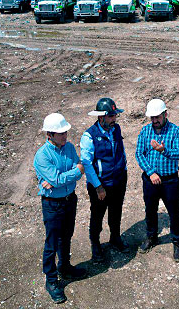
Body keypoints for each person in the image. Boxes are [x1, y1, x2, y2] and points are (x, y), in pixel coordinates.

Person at [34, 113, 87, 304]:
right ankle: (51, 280)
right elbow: (60, 178)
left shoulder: (70, 147)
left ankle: (65, 267)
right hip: (52, 204)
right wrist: (72, 173)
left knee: (66, 236)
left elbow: (76, 169)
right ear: (49, 134)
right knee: (51, 242)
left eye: (65, 132)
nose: (65, 136)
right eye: (60, 133)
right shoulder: (42, 156)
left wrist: (64, 176)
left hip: (69, 199)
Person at [135, 98, 179, 262]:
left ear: (165, 114)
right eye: (152, 118)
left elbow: (177, 154)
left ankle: (177, 241)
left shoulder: (176, 131)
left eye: (157, 117)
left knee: (174, 211)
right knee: (150, 209)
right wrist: (150, 172)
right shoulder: (145, 131)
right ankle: (152, 237)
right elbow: (139, 154)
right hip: (150, 179)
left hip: (169, 180)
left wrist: (163, 150)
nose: (155, 121)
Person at [80, 98, 129, 263]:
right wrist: (98, 186)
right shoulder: (89, 136)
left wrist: (124, 171)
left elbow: (120, 151)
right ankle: (96, 245)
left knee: (116, 212)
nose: (114, 118)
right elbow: (87, 163)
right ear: (101, 117)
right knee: (97, 215)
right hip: (100, 185)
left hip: (118, 181)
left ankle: (115, 237)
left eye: (115, 115)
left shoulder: (116, 129)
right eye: (111, 116)